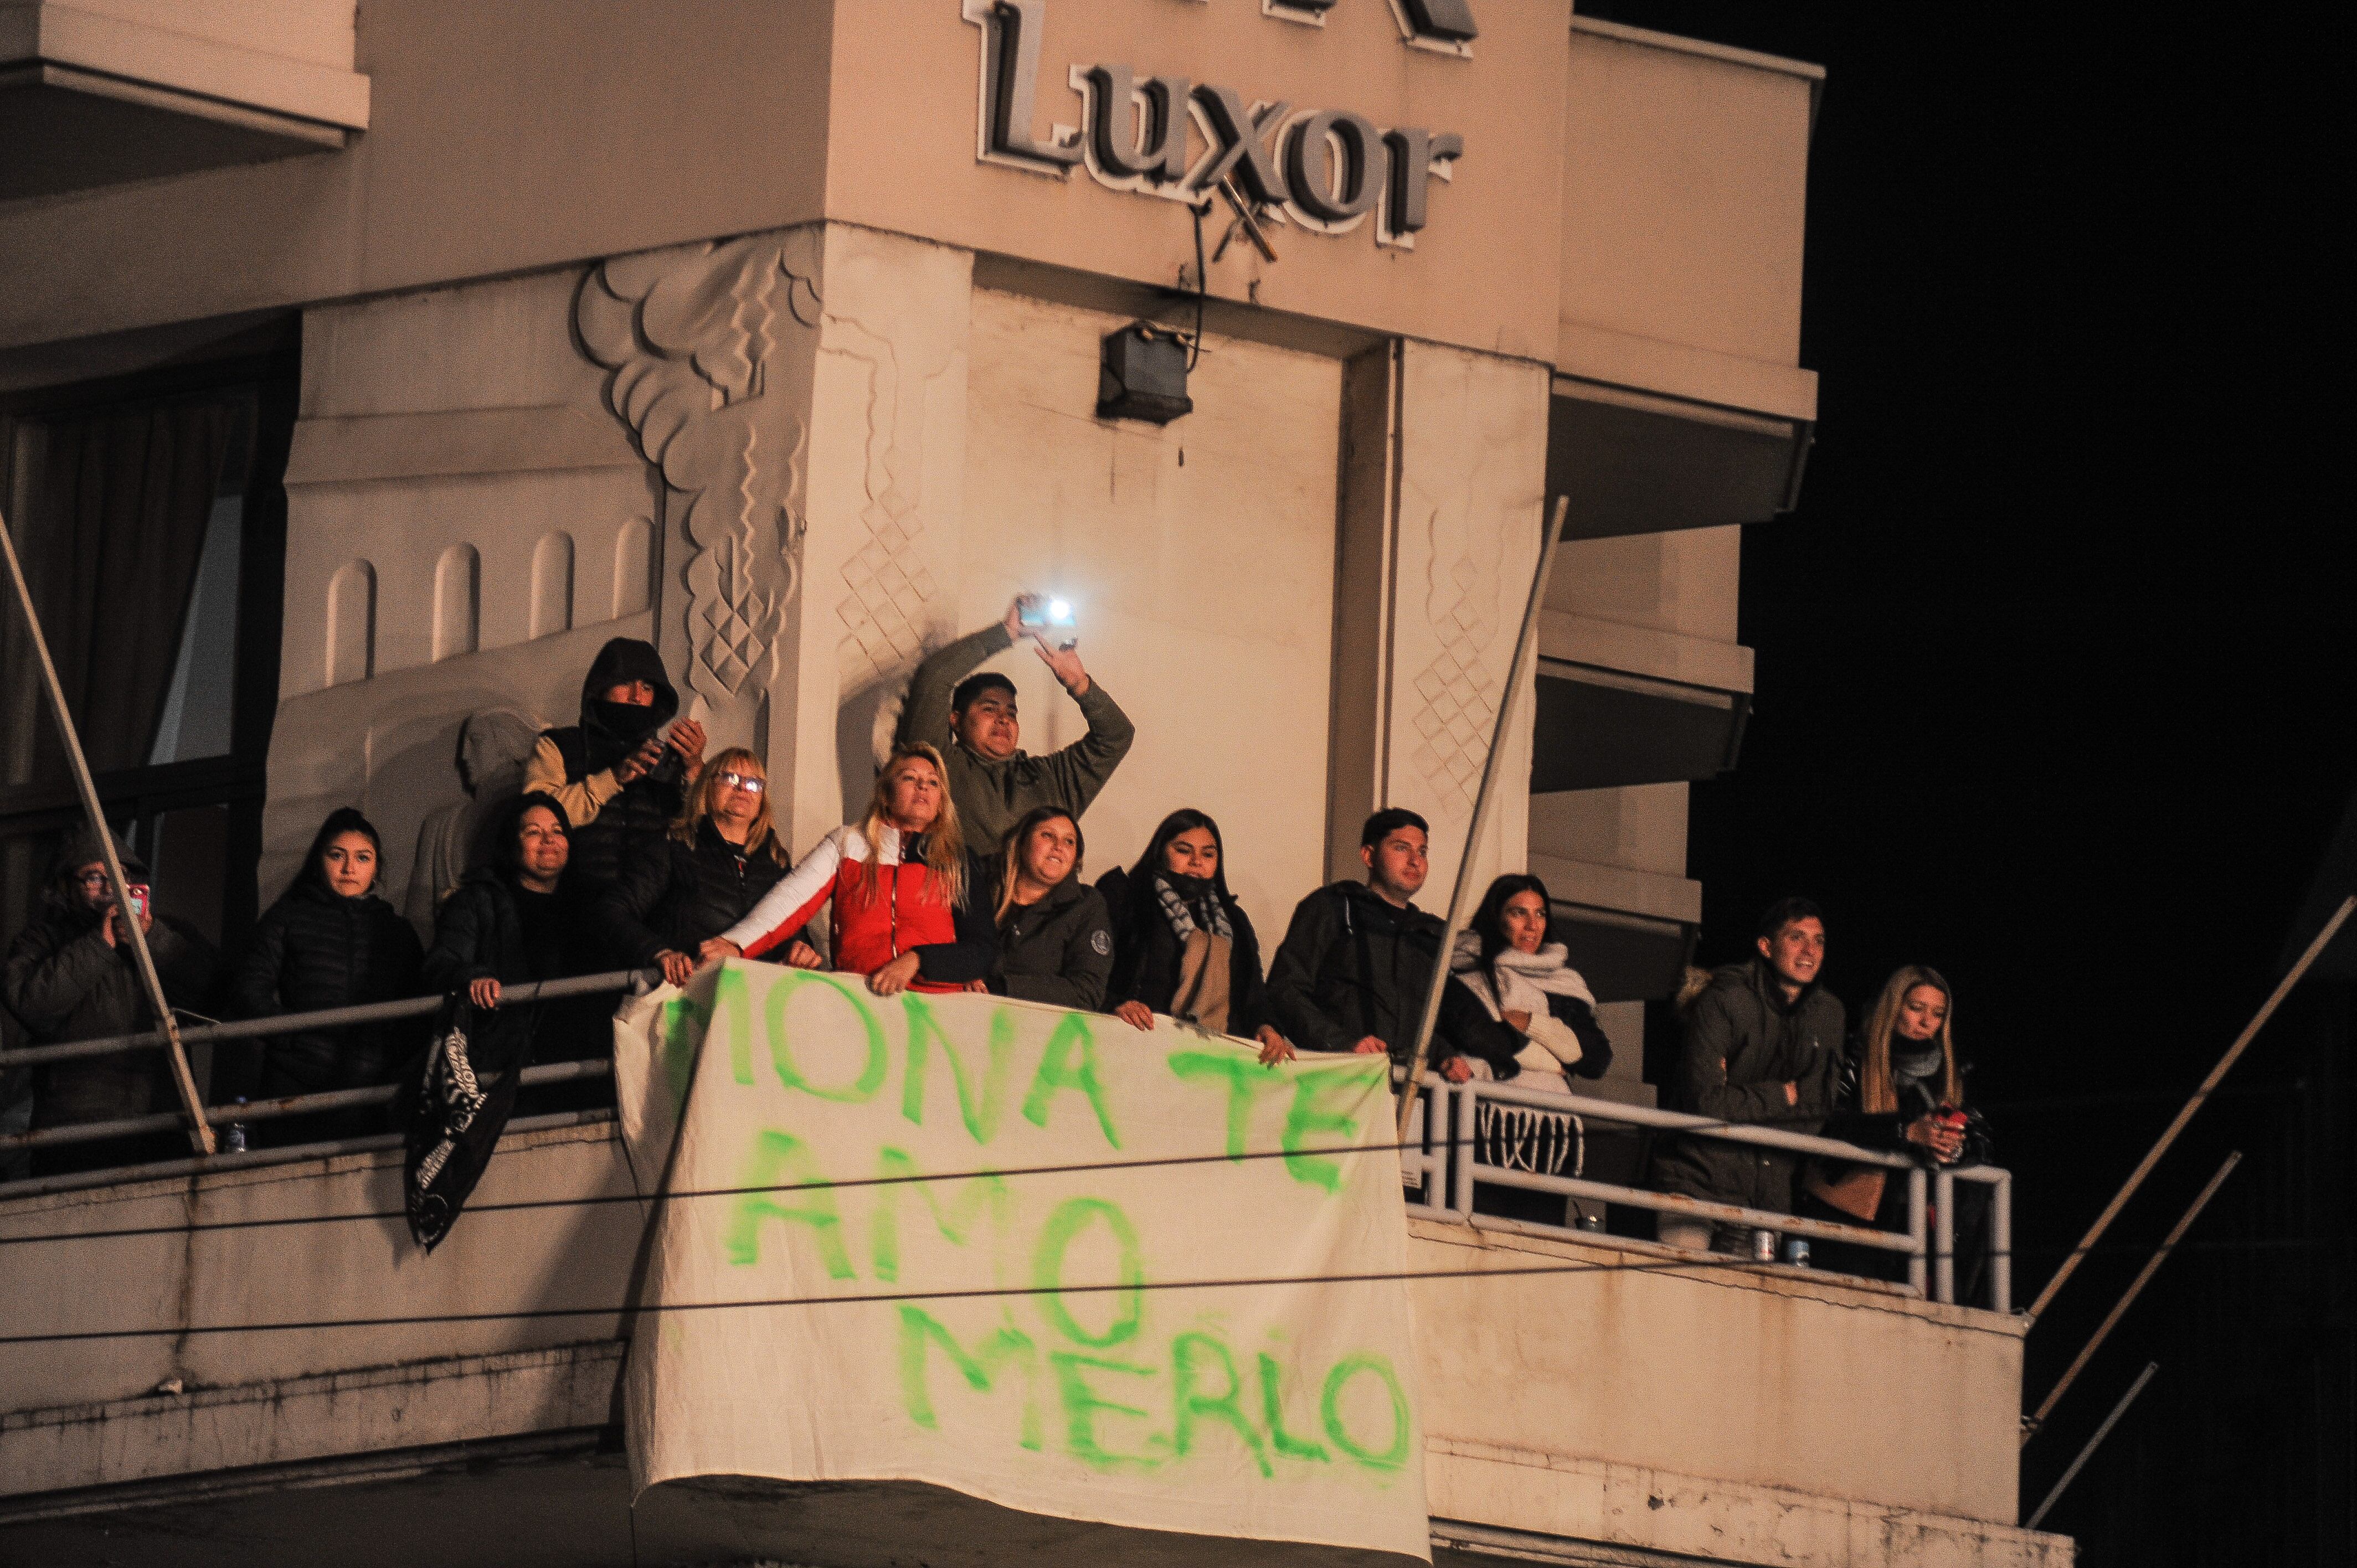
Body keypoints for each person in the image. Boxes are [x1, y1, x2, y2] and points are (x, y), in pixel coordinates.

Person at [2, 828, 218, 1174]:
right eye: (94, 877)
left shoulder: (166, 932)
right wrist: (100, 943)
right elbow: (32, 1004)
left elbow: (215, 991)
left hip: (161, 1118)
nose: (109, 887)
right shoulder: (41, 940)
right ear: (67, 886)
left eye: (119, 875)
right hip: (75, 1128)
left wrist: (152, 939)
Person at [706, 742, 994, 996]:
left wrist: (918, 960)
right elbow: (790, 900)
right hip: (858, 1001)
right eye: (909, 778)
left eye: (933, 783)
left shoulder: (959, 860)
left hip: (937, 1010)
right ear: (885, 793)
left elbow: (981, 948)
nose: (922, 787)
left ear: (942, 801)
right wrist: (735, 944)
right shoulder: (848, 843)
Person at [1260, 807, 1520, 1078]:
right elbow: (1286, 990)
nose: (1414, 861)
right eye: (1401, 848)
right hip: (1338, 1078)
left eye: (1422, 851)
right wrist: (1343, 1044)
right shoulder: (1334, 907)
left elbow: (1431, 1020)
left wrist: (1445, 1057)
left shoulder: (1430, 933)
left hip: (1407, 1091)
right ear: (1369, 856)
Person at [1649, 896, 1843, 1253]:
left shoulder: (1828, 1013)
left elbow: (1817, 1112)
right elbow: (1706, 1102)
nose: (1810, 950)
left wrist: (1739, 1099)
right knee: (1677, 1299)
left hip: (1766, 1195)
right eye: (1796, 937)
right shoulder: (1724, 999)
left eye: (1819, 941)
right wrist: (1782, 1096)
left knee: (1745, 1307)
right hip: (1696, 1178)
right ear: (1766, 947)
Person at [230, 808, 424, 1139]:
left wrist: (391, 1054)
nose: (350, 868)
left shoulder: (395, 931)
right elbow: (249, 988)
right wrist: (292, 1038)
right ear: (319, 861)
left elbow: (419, 1004)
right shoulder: (288, 917)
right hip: (295, 1084)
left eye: (363, 858)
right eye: (338, 856)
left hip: (373, 1089)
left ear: (376, 870)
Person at [895, 592, 1135, 853]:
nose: (1003, 719)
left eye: (1012, 713)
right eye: (989, 709)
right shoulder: (938, 767)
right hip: (956, 891)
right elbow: (934, 677)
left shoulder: (1051, 779)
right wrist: (1006, 632)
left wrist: (1079, 685)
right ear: (956, 720)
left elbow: (1116, 736)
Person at [1800, 965, 1988, 1283]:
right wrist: (1905, 1131)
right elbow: (1829, 1125)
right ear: (1894, 1008)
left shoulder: (1950, 1072)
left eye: (1938, 1014)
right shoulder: (1856, 1057)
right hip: (1849, 1217)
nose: (1926, 1022)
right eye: (1915, 1008)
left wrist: (1954, 1145)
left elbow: (1982, 1139)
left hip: (1917, 1224)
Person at [593, 747, 819, 987]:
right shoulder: (674, 847)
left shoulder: (777, 863)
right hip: (689, 997)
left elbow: (795, 932)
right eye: (730, 778)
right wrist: (659, 953)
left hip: (755, 1001)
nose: (743, 788)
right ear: (706, 787)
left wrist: (802, 950)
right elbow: (612, 910)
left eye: (754, 784)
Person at [421, 793, 599, 1069]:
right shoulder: (477, 901)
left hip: (578, 1060)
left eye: (557, 831)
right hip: (502, 1060)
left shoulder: (589, 904)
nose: (549, 840)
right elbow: (442, 962)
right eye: (533, 832)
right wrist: (474, 978)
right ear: (512, 844)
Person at [522, 637, 706, 898]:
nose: (636, 697)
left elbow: (707, 834)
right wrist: (612, 779)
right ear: (600, 688)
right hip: (574, 904)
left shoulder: (669, 758)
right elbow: (535, 819)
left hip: (651, 909)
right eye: (625, 683)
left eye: (646, 687)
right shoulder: (559, 746)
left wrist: (695, 768)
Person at [1098, 808, 1288, 1059]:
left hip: (1207, 1061)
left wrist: (1266, 1026)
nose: (1197, 861)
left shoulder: (1234, 920)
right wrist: (1116, 1003)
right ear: (1160, 852)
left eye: (1208, 854)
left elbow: (1253, 993)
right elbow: (1090, 974)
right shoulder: (1125, 898)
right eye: (1183, 851)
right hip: (1135, 1046)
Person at [1448, 873, 1613, 1085]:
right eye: (1519, 913)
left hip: (1551, 1112)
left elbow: (1596, 1060)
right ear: (1496, 917)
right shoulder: (1464, 977)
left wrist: (1532, 1023)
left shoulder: (1564, 984)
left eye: (1540, 914)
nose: (1532, 926)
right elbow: (1478, 1038)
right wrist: (1552, 1060)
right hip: (1485, 1108)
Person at [404, 706, 543, 936]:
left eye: (476, 741)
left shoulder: (545, 817)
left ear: (509, 744)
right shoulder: (440, 825)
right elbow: (417, 921)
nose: (464, 755)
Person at [979, 806, 1115, 1010]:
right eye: (1047, 835)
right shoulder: (979, 881)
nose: (1059, 846)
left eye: (1069, 841)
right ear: (1021, 843)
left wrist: (1003, 987)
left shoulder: (1087, 905)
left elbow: (1087, 990)